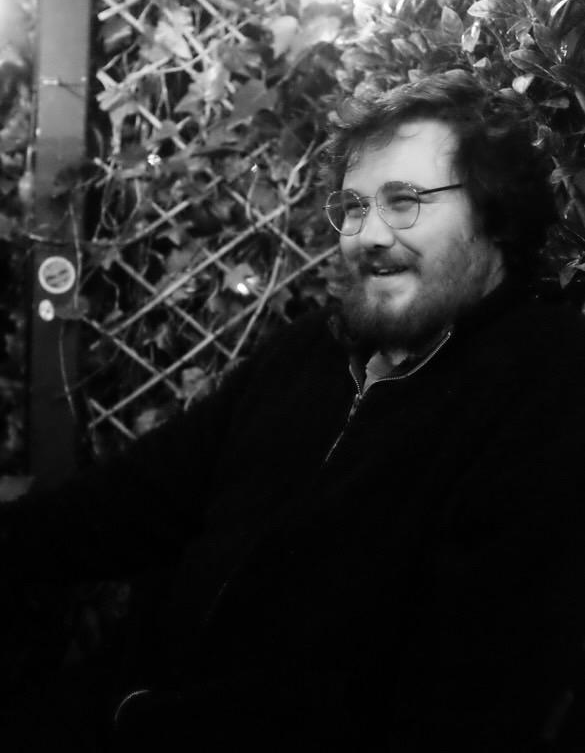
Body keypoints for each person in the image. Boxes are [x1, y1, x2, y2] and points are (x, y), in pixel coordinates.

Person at [2, 68, 585, 752]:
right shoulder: (316, 349)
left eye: (404, 201)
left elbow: (458, 690)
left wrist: (159, 723)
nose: (368, 235)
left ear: (494, 213)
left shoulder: (542, 389)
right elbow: (140, 496)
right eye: (353, 207)